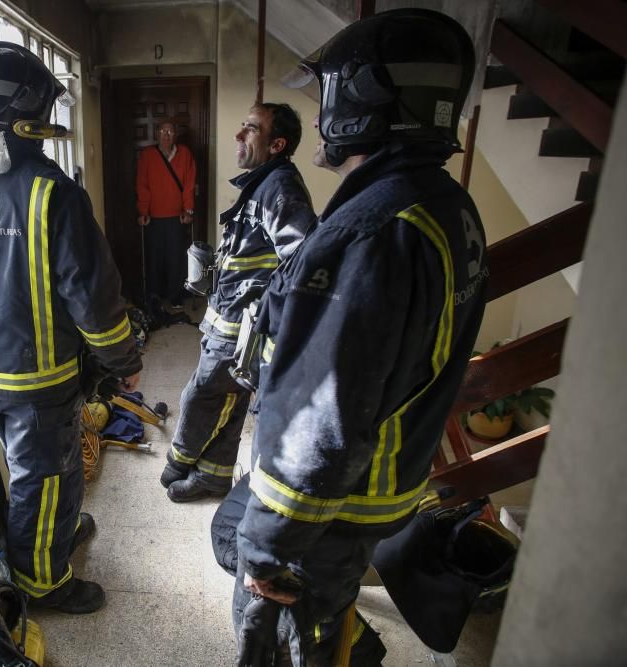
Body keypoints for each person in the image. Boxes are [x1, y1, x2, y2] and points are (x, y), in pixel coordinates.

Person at [230, 9, 487, 664]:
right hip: (381, 484)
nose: (319, 116)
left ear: (371, 97)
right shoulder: (446, 206)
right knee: (296, 586)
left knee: (284, 630)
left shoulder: (371, 232)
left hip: (332, 504)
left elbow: (323, 421)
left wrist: (266, 544)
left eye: (330, 95)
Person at [0, 42, 142, 615]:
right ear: (29, 114)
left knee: (41, 472)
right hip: (41, 375)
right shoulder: (54, 194)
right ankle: (43, 581)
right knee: (48, 474)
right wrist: (125, 360)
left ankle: (54, 533)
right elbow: (94, 301)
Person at [160, 103, 316, 502]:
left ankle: (180, 460)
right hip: (225, 318)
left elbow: (303, 265)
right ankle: (213, 477)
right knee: (229, 399)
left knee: (201, 393)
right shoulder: (262, 183)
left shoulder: (281, 189)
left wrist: (264, 312)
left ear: (276, 144)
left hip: (241, 327)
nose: (238, 135)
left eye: (250, 128)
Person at [136, 121, 197, 309]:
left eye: (170, 131)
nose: (166, 134)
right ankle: (154, 294)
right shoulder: (147, 155)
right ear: (157, 134)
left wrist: (188, 210)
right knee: (154, 258)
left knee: (176, 257)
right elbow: (142, 185)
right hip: (153, 217)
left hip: (176, 216)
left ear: (175, 134)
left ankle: (175, 294)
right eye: (163, 131)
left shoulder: (185, 154)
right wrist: (143, 211)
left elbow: (189, 184)